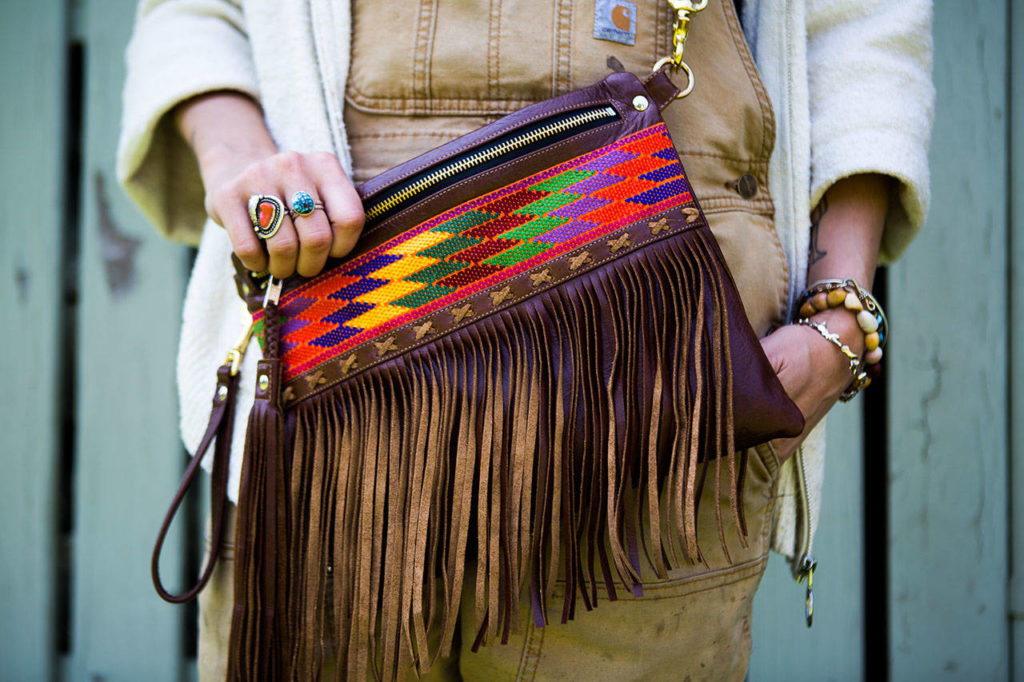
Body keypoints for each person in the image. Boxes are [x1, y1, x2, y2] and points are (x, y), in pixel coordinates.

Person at [119, 0, 932, 678]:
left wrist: (838, 319)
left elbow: (864, 24)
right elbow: (191, 11)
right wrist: (240, 158)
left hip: (661, 404)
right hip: (335, 431)